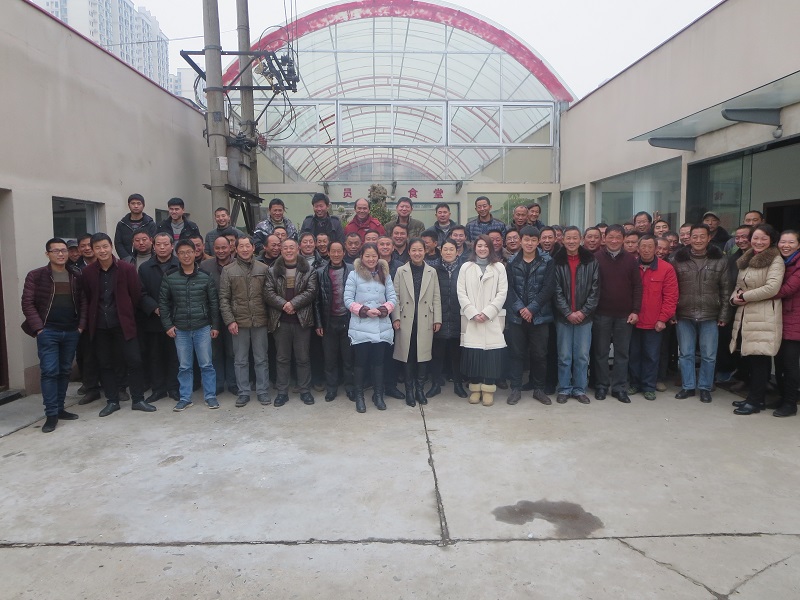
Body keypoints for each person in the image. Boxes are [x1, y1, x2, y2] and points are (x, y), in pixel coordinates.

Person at [82, 233, 156, 416]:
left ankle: (138, 399)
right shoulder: (88, 272)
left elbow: (136, 295)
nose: (102, 251)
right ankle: (112, 401)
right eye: (98, 248)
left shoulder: (126, 268)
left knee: (134, 361)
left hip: (123, 323)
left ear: (111, 247)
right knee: (105, 363)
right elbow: (88, 296)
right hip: (100, 325)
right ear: (93, 250)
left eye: (105, 246)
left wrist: (125, 310)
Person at [21, 238, 87, 433]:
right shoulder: (36, 275)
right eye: (56, 251)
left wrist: (81, 327)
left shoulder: (75, 275)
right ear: (47, 254)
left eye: (63, 250)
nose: (61, 254)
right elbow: (27, 303)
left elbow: (84, 302)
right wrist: (39, 329)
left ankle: (59, 409)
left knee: (65, 371)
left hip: (71, 331)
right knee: (50, 371)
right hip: (48, 331)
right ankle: (51, 415)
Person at [672, 224, 733, 402]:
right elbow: (671, 290)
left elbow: (726, 290)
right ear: (689, 238)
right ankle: (688, 386)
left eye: (702, 236)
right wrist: (672, 313)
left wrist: (724, 314)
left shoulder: (719, 260)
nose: (698, 240)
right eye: (695, 237)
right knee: (686, 353)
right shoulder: (678, 260)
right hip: (684, 313)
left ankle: (705, 387)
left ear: (709, 238)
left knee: (709, 355)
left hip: (710, 314)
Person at [159, 239, 220, 411]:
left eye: (189, 252)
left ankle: (210, 396)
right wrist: (168, 325)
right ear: (177, 255)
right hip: (180, 329)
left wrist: (215, 326)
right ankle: (185, 398)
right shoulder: (170, 276)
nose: (186, 256)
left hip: (203, 327)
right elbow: (163, 303)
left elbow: (213, 303)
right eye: (182, 253)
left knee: (206, 364)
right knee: (184, 366)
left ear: (195, 253)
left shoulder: (205, 276)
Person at [729, 224, 784, 415]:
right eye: (755, 238)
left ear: (771, 240)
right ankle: (753, 398)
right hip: (747, 314)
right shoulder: (747, 258)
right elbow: (739, 286)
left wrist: (744, 296)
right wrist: (734, 299)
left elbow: (772, 288)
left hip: (763, 315)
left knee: (760, 359)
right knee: (752, 359)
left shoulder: (775, 260)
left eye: (764, 239)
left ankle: (756, 401)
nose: (758, 242)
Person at [265, 239, 319, 407]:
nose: (288, 251)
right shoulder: (272, 270)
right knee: (282, 358)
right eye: (285, 248)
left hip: (302, 320)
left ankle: (305, 391)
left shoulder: (308, 270)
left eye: (291, 248)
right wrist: (284, 305)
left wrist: (293, 304)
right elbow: (268, 292)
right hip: (281, 320)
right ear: (281, 251)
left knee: (303, 358)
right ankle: (282, 392)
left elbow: (311, 291)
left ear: (298, 249)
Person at [344, 243, 397, 413]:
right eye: (367, 256)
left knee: (378, 363)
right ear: (361, 257)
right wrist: (364, 310)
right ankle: (359, 396)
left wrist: (384, 309)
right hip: (361, 326)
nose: (371, 259)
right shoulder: (354, 275)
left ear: (378, 257)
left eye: (374, 256)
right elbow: (348, 299)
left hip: (381, 325)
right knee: (360, 363)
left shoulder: (385, 274)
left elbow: (392, 298)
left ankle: (378, 395)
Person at [505, 226, 555, 405]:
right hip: (517, 317)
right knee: (516, 354)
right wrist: (521, 309)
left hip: (539, 316)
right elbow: (509, 288)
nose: (530, 243)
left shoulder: (547, 261)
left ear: (538, 241)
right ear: (520, 241)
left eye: (534, 240)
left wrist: (532, 309)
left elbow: (549, 288)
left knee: (540, 354)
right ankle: (515, 389)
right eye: (526, 240)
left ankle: (539, 389)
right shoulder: (512, 262)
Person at [592, 224, 642, 403]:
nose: (614, 241)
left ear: (623, 239)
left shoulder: (631, 260)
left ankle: (619, 388)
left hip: (624, 315)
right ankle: (601, 386)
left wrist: (635, 311)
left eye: (618, 238)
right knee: (601, 352)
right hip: (601, 313)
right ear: (604, 239)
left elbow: (637, 287)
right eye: (610, 237)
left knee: (622, 353)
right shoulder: (596, 258)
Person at [219, 236, 271, 408]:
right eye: (241, 246)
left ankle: (263, 391)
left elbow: (269, 295)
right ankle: (243, 392)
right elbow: (224, 298)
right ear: (236, 249)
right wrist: (230, 321)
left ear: (253, 248)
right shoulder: (228, 270)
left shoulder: (263, 268)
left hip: (260, 320)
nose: (245, 249)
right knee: (240, 360)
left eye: (247, 246)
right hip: (238, 322)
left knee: (261, 358)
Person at [457, 234, 508, 406]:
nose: (482, 249)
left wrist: (487, 313)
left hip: (491, 319)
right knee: (474, 355)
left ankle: (488, 390)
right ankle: (475, 389)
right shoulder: (466, 267)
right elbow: (461, 292)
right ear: (474, 248)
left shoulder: (499, 268)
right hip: (472, 319)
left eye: (486, 246)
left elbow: (502, 293)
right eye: (479, 246)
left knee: (490, 357)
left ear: (491, 248)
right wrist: (472, 312)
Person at [553, 226, 600, 404]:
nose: (571, 241)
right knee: (564, 356)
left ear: (580, 239)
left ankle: (580, 389)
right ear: (563, 240)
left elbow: (595, 290)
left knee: (582, 356)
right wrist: (567, 312)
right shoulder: (556, 261)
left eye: (575, 238)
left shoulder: (591, 261)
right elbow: (555, 290)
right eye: (568, 238)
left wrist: (583, 311)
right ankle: (564, 388)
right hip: (563, 317)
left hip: (584, 318)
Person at [392, 239, 442, 407]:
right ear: (409, 252)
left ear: (425, 251)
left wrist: (437, 319)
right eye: (414, 250)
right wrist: (396, 317)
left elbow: (436, 296)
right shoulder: (401, 271)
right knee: (408, 355)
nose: (417, 253)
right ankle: (409, 390)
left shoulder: (431, 272)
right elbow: (395, 296)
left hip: (425, 319)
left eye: (420, 250)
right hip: (406, 319)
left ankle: (419, 390)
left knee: (423, 355)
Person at [628, 235, 678, 401]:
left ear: (656, 249)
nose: (646, 250)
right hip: (633, 320)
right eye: (643, 246)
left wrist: (663, 319)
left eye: (650, 246)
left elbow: (671, 296)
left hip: (654, 322)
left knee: (651, 355)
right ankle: (634, 383)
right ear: (638, 248)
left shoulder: (666, 268)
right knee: (633, 354)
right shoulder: (631, 266)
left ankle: (649, 386)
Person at [138, 232, 180, 403]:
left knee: (174, 356)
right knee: (155, 356)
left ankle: (174, 388)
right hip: (153, 320)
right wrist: (155, 308)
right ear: (153, 246)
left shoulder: (180, 265)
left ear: (172, 246)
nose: (162, 247)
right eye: (158, 244)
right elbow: (141, 293)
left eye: (165, 244)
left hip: (176, 319)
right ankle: (158, 389)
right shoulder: (145, 268)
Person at [314, 241, 355, 402]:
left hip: (348, 320)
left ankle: (350, 388)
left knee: (348, 358)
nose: (336, 254)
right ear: (328, 253)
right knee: (330, 359)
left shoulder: (352, 270)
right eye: (333, 251)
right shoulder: (320, 272)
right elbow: (316, 301)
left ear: (344, 253)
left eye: (339, 251)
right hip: (329, 321)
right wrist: (319, 323)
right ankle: (331, 388)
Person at [429, 239, 467, 398]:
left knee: (457, 354)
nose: (448, 252)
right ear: (440, 250)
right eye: (445, 249)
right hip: (440, 317)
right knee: (437, 353)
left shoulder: (464, 269)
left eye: (452, 249)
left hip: (458, 317)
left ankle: (458, 384)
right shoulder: (433, 270)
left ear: (457, 252)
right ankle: (435, 384)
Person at [200, 235, 237, 395]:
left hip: (233, 315)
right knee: (214, 352)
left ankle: (233, 383)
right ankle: (218, 383)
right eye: (217, 248)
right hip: (212, 315)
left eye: (224, 247)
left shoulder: (237, 264)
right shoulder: (205, 265)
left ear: (230, 248)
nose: (221, 251)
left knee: (232, 351)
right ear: (213, 249)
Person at [773, 230, 800, 417]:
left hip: (795, 320)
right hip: (780, 318)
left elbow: (787, 289)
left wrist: (759, 293)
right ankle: (782, 397)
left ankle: (791, 403)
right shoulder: (781, 262)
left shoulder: (797, 264)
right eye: (783, 242)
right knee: (779, 362)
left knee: (790, 364)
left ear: (798, 245)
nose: (786, 246)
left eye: (791, 242)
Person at [114, 193, 157, 260]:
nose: (136, 206)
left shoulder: (150, 224)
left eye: (139, 203)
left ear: (143, 205)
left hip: (148, 259)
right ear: (128, 205)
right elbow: (118, 243)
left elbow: (154, 242)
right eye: (133, 203)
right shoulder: (122, 224)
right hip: (127, 260)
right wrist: (126, 258)